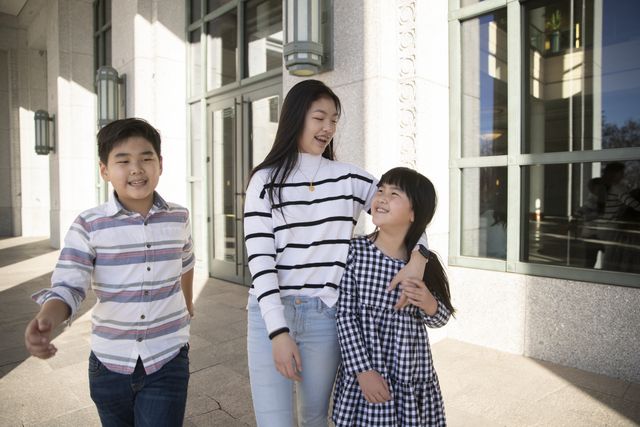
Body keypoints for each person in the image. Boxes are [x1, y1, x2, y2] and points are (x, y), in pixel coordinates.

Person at [243, 79, 429, 426]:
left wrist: (419, 259)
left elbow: (409, 211)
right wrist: (278, 332)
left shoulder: (351, 179)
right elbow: (261, 260)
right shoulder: (264, 181)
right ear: (296, 117)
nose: (328, 127)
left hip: (324, 316)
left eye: (334, 120)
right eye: (319, 118)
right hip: (268, 313)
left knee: (314, 418)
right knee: (274, 422)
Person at [24, 118, 195, 427]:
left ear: (160, 164)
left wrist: (188, 302)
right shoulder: (89, 224)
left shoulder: (179, 216)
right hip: (109, 363)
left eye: (146, 158)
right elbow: (69, 284)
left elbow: (186, 260)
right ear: (104, 170)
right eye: (123, 160)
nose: (136, 169)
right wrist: (47, 318)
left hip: (168, 357)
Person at [332, 167, 454, 427]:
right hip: (368, 369)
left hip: (410, 371)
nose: (382, 197)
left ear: (414, 213)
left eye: (394, 193)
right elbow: (345, 316)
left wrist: (429, 303)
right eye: (380, 190)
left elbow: (440, 318)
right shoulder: (354, 252)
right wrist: (363, 371)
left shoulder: (424, 263)